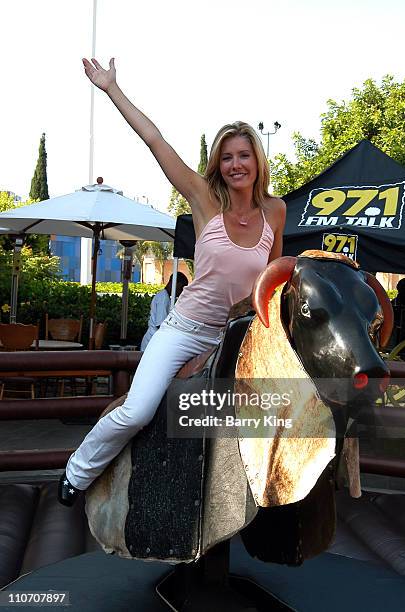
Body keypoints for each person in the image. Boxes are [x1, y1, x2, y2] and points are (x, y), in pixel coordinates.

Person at [58, 57, 286, 506]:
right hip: (184, 332)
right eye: (227, 157)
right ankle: (77, 472)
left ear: (257, 161)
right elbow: (154, 139)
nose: (236, 164)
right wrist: (111, 89)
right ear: (217, 165)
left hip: (236, 337)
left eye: (243, 155)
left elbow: (270, 283)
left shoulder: (274, 211)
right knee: (139, 410)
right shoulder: (204, 199)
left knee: (271, 412)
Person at [140, 272, 188, 351]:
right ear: (176, 284)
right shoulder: (163, 298)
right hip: (152, 343)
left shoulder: (165, 297)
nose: (182, 291)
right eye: (182, 287)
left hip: (154, 341)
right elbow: (160, 324)